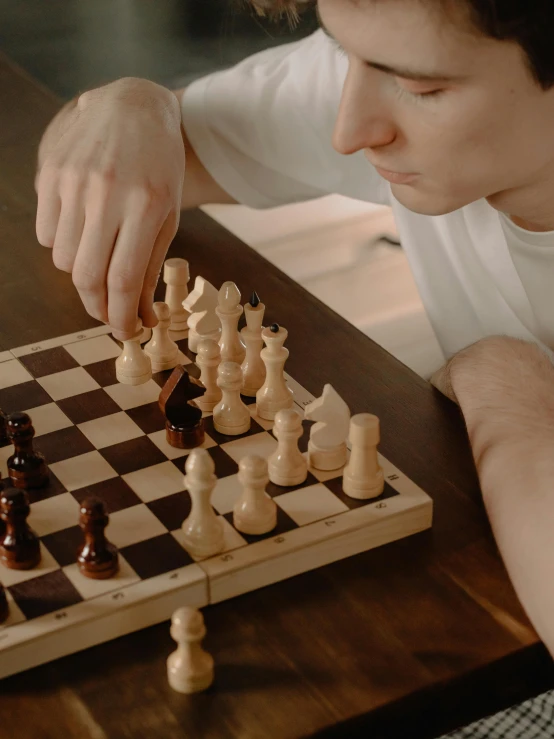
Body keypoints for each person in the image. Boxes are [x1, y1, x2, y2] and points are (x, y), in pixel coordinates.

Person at [35, 0, 554, 734]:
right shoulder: (394, 62)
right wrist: (129, 105)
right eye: (342, 52)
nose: (348, 128)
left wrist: (500, 379)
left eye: (424, 88)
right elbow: (131, 161)